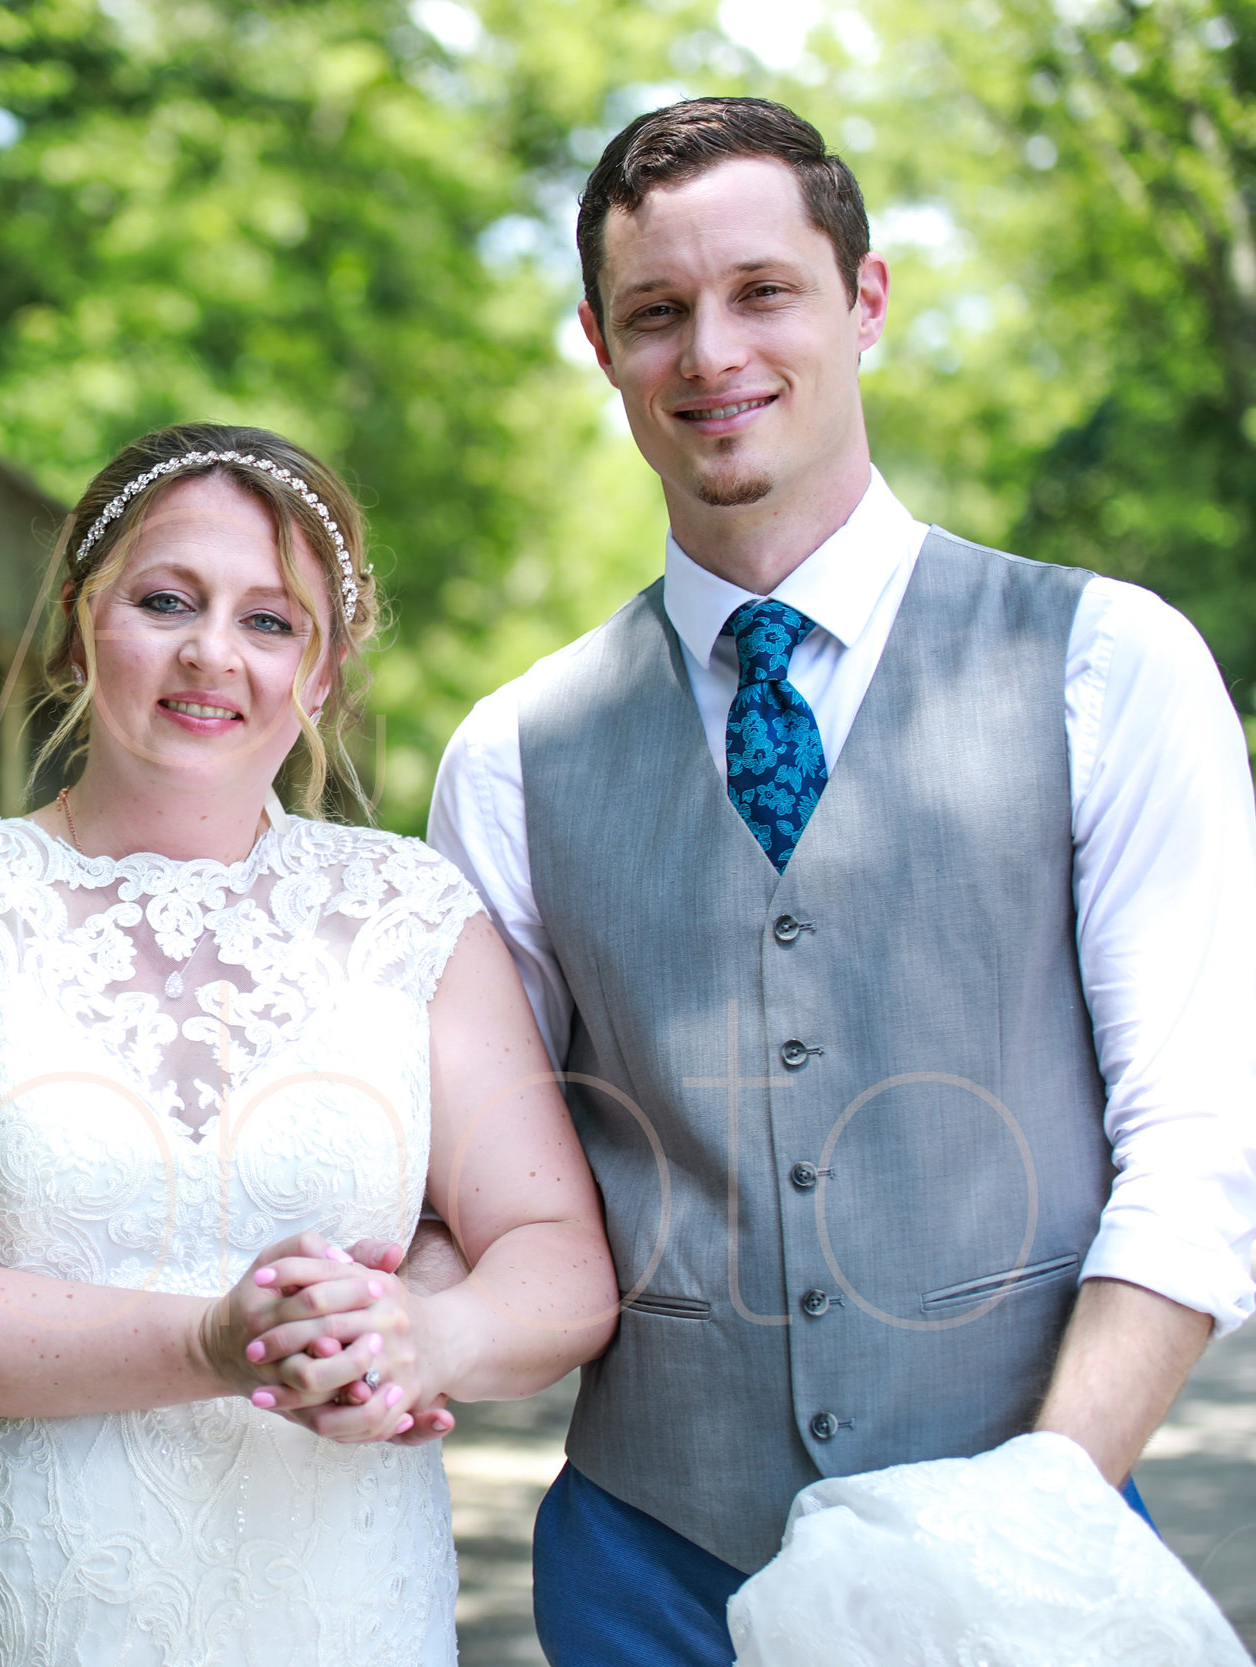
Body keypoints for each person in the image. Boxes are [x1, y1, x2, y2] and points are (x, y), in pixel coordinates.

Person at [427, 97, 1256, 1665]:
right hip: (649, 1568)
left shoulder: (1107, 662)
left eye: (764, 291)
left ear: (864, 302)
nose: (711, 350)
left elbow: (1203, 1136)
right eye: (657, 312)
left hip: (1037, 1544)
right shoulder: (508, 756)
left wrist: (1043, 1514)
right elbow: (472, 1186)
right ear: (600, 347)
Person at [0, 422, 618, 1666]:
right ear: (79, 628)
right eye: (166, 600)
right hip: (3, 1611)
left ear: (321, 674)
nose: (211, 652)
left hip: (334, 1609)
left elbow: (557, 1258)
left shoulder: (410, 916)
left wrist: (421, 1336)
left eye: (271, 621)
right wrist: (206, 1343)